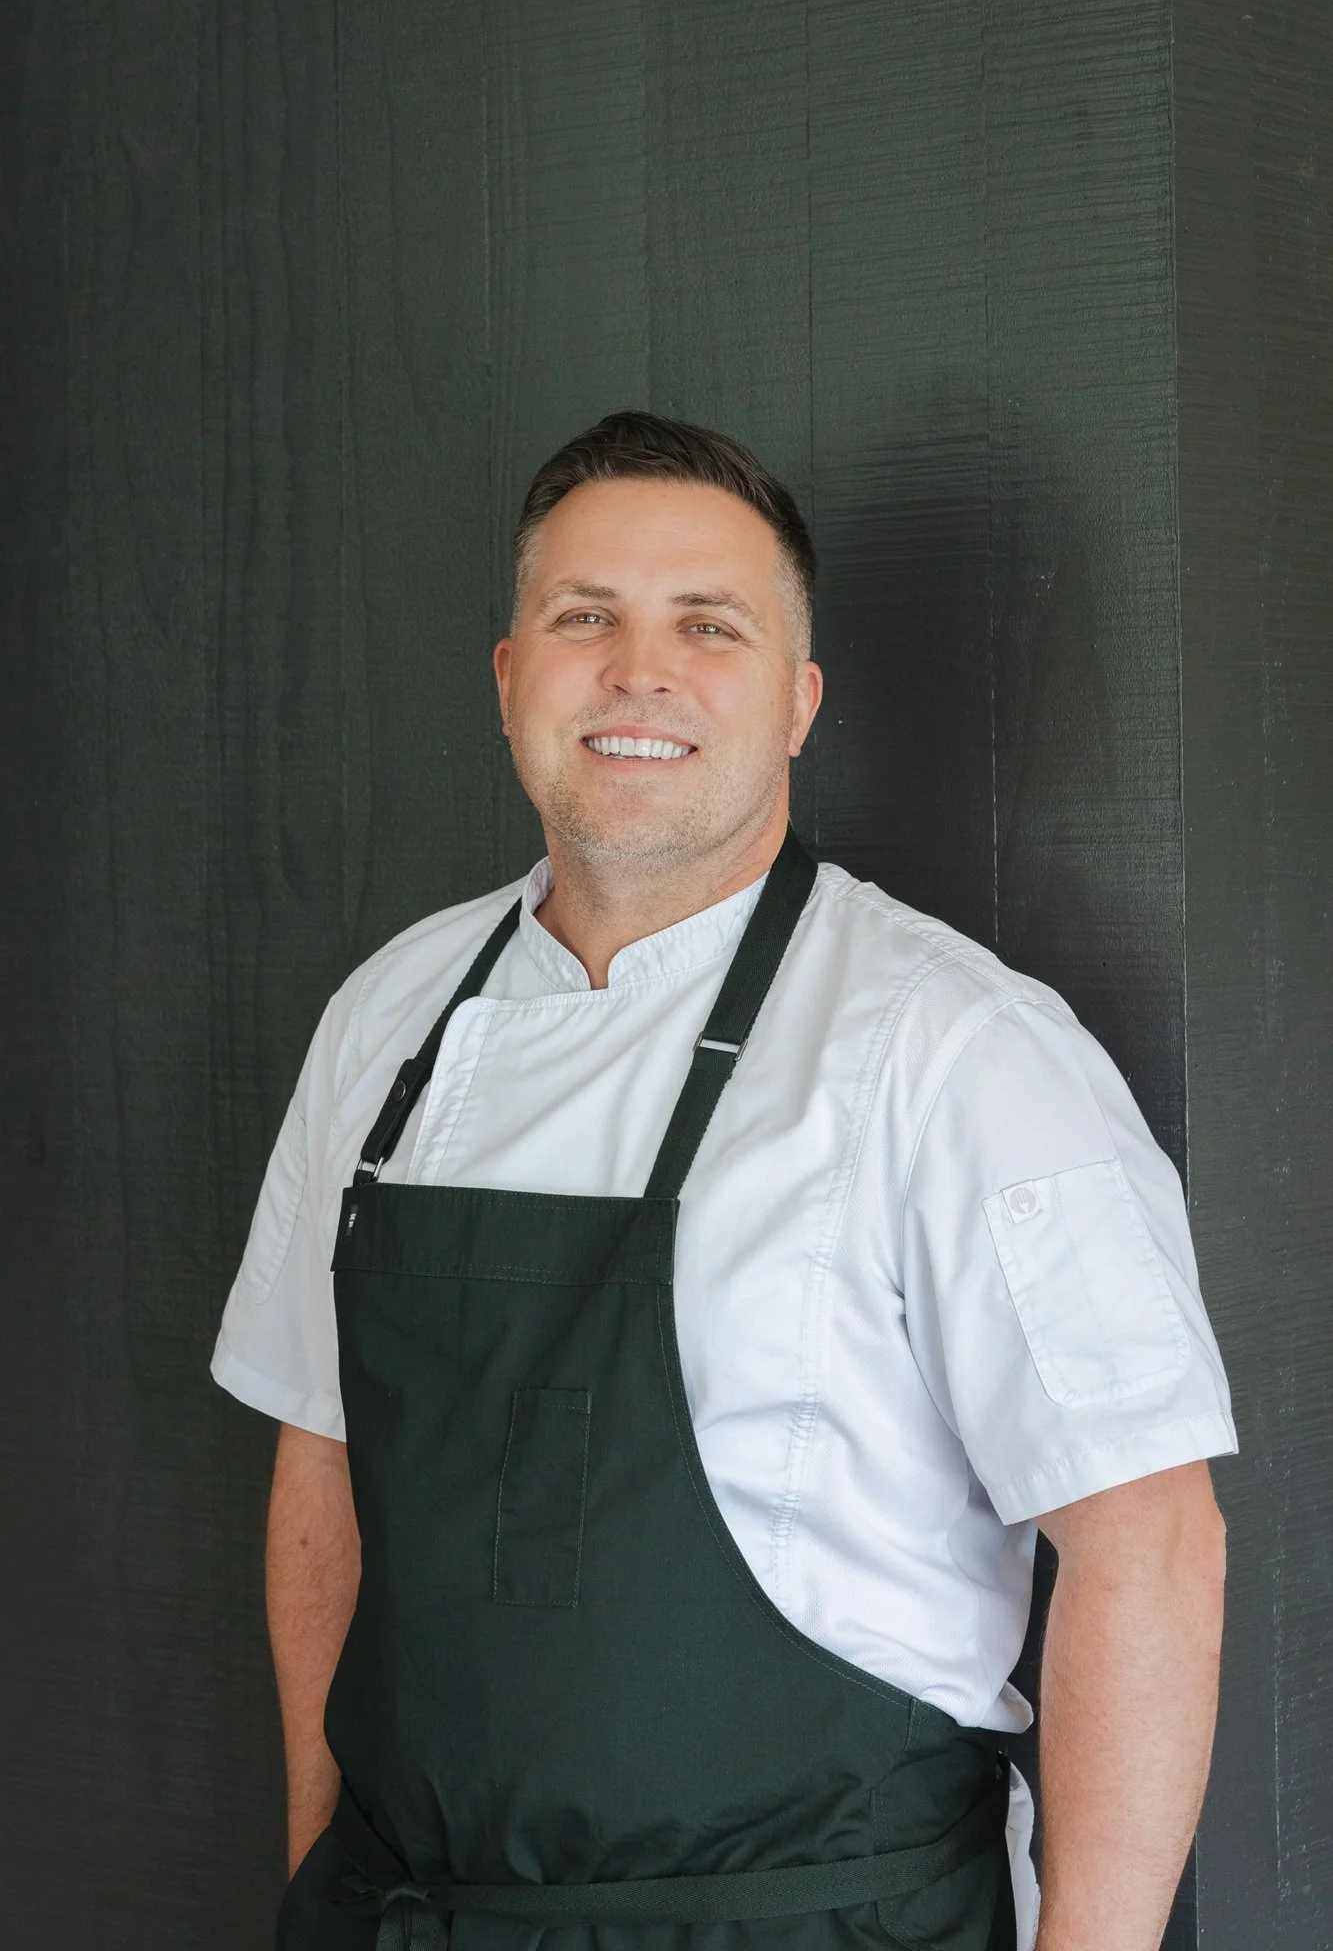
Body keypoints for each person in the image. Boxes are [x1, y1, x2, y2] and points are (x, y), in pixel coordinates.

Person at [212, 412, 1234, 1951]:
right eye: (585, 620)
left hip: (810, 1918)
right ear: (509, 682)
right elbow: (321, 1460)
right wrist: (314, 1858)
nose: (641, 674)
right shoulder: (387, 1020)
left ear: (798, 700)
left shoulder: (954, 1051)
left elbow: (1150, 1542)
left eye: (709, 626)